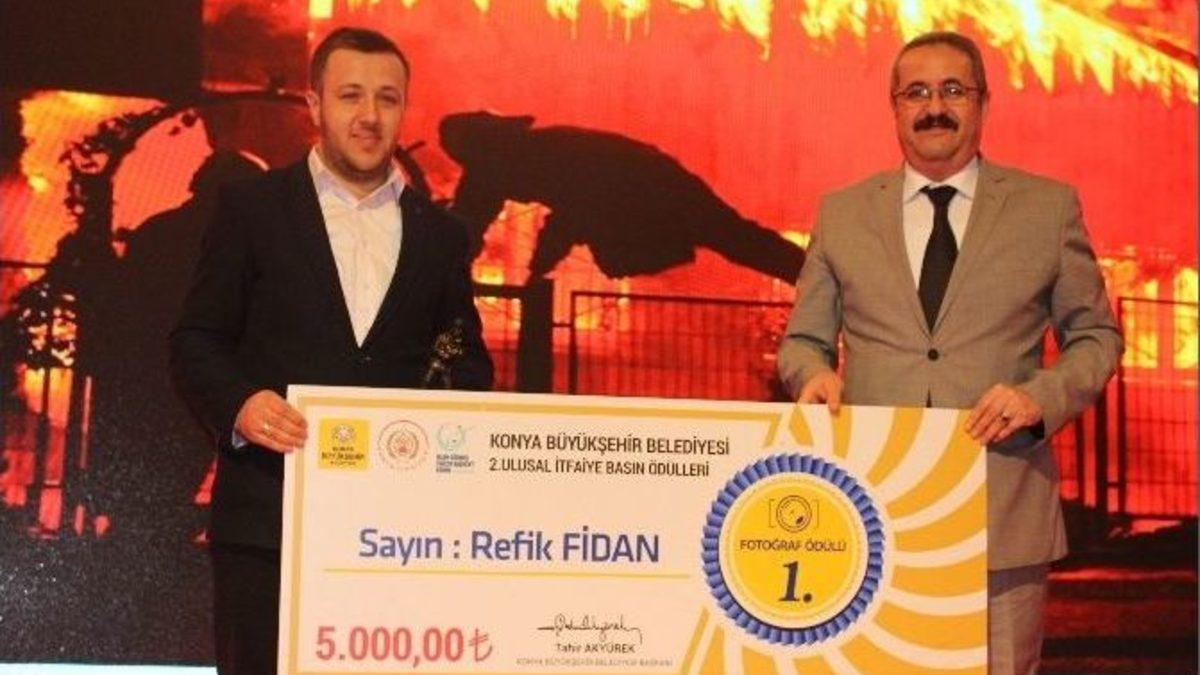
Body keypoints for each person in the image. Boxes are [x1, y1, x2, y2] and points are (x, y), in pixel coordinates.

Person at [776, 31, 1121, 675]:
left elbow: (1096, 336)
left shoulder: (1047, 209)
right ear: (895, 107)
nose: (934, 107)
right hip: (870, 514)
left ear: (983, 102)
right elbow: (802, 340)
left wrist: (1039, 399)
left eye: (953, 90)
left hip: (1003, 513)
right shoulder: (842, 213)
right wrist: (812, 373)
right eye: (917, 93)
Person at [170, 28, 493, 675]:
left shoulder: (441, 236)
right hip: (267, 523)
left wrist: (434, 417)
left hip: (400, 536)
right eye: (350, 95)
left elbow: (465, 360)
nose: (369, 115)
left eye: (387, 98)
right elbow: (195, 339)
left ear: (403, 109)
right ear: (315, 104)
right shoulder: (251, 210)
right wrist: (241, 404)